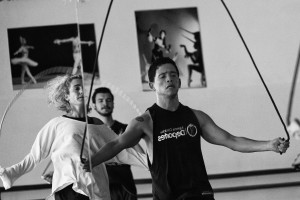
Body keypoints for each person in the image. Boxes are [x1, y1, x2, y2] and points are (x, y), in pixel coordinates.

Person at [83, 57, 290, 200]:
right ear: (152, 84)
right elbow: (117, 144)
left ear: (180, 81)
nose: (169, 79)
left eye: (173, 75)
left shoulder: (196, 117)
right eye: (162, 76)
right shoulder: (144, 122)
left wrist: (269, 145)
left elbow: (232, 141)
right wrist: (92, 162)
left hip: (200, 194)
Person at [0, 74, 147, 200]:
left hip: (95, 189)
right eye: (76, 88)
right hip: (68, 189)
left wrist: (153, 163)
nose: (82, 90)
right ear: (67, 96)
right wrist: (10, 173)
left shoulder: (98, 124)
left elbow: (121, 152)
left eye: (83, 87)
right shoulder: (56, 124)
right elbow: (34, 157)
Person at [92, 87, 139, 200]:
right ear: (94, 105)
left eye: (108, 100)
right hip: (102, 188)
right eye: (101, 100)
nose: (105, 103)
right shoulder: (91, 131)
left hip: (126, 187)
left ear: (113, 103)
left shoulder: (126, 128)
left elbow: (141, 155)